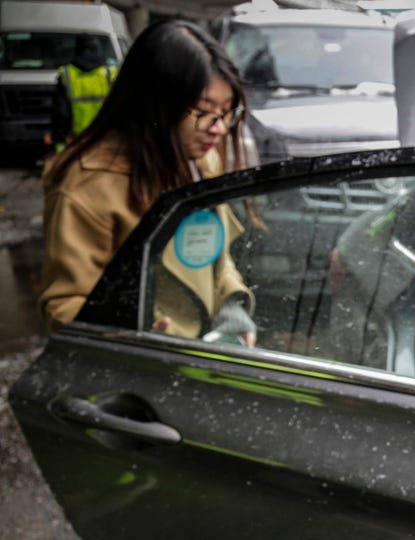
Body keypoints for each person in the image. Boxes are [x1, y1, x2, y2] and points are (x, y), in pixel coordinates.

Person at [39, 19, 256, 346]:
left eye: (227, 113)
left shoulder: (203, 160)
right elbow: (65, 305)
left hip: (199, 348)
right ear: (156, 106)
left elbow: (214, 256)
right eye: (204, 112)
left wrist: (231, 309)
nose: (220, 129)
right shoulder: (87, 187)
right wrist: (135, 334)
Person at [50, 35, 117, 153]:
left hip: (78, 140)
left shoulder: (67, 74)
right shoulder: (110, 73)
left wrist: (59, 140)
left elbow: (61, 112)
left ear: (77, 50)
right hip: (106, 138)